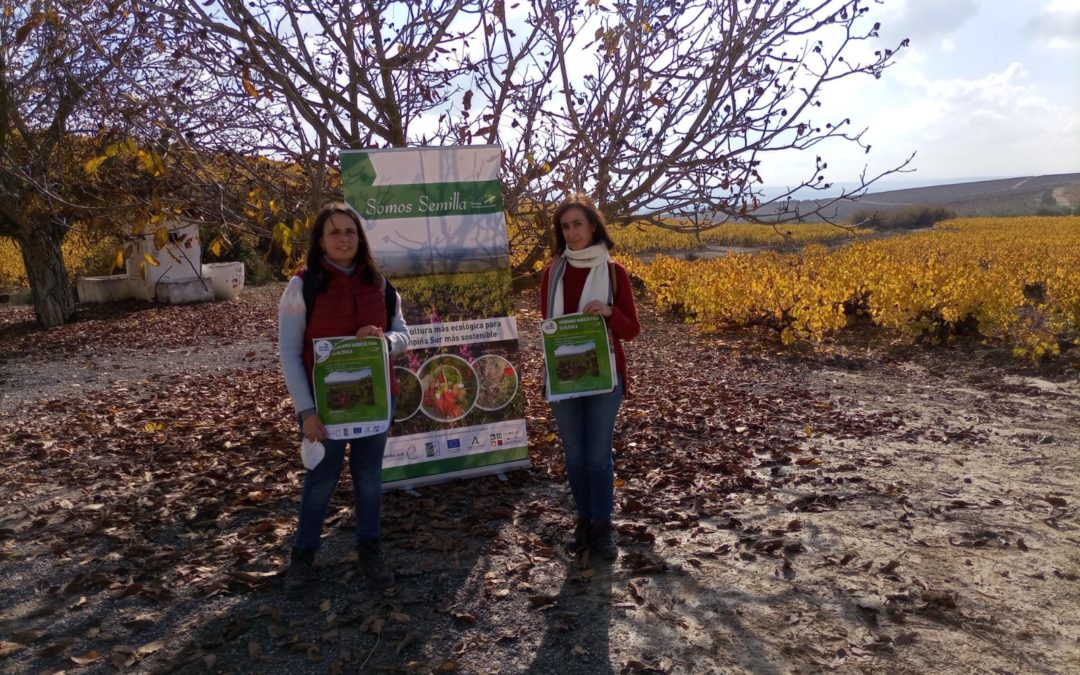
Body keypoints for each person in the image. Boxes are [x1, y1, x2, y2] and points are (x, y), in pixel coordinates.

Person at [277, 202, 410, 595]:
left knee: (369, 479)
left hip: (374, 404)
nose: (343, 239)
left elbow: (403, 332)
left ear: (360, 237)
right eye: (334, 232)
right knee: (321, 480)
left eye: (350, 231)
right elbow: (288, 353)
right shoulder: (303, 285)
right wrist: (306, 413)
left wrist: (385, 341)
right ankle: (303, 556)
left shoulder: (379, 282)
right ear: (320, 240)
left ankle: (370, 549)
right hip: (325, 410)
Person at [540, 194, 640, 560]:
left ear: (594, 226)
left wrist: (611, 312)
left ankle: (602, 526)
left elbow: (631, 330)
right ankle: (583, 521)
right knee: (575, 456)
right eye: (565, 227)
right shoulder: (552, 273)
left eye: (577, 224)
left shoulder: (615, 273)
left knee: (598, 457)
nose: (571, 232)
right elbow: (547, 328)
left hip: (604, 378)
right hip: (564, 378)